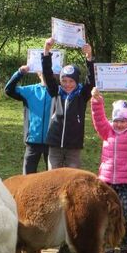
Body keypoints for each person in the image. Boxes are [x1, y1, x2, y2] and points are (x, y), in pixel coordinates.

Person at [91, 86, 127, 253]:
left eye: (123, 121)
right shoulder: (107, 132)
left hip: (126, 183)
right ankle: (108, 249)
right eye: (116, 120)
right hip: (106, 182)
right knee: (106, 216)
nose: (119, 124)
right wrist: (96, 101)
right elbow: (99, 120)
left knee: (123, 216)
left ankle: (125, 247)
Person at [41, 38, 94, 169]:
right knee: (53, 177)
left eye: (71, 81)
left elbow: (91, 80)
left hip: (74, 145)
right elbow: (48, 75)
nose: (67, 84)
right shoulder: (55, 92)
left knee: (72, 180)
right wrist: (46, 51)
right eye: (64, 81)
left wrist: (89, 57)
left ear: (76, 82)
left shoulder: (82, 95)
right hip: (54, 143)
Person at [4, 63, 52, 174]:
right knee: (27, 177)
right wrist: (19, 73)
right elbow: (8, 90)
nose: (44, 73)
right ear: (38, 73)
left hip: (52, 141)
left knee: (53, 176)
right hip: (32, 140)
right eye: (42, 70)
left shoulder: (59, 92)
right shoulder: (30, 90)